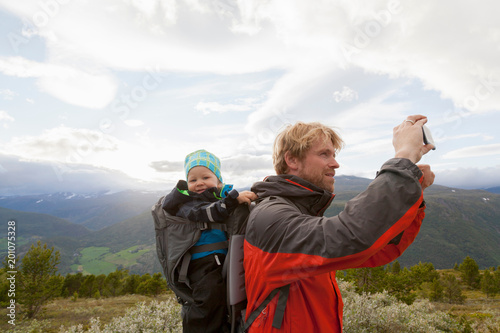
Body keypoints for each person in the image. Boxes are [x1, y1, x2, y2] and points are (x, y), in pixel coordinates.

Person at [243, 115, 435, 332]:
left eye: (333, 154)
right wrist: (404, 158)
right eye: (324, 154)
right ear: (292, 160)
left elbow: (378, 250)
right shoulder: (271, 217)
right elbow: (351, 236)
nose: (335, 163)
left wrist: (414, 194)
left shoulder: (300, 213)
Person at [162, 149, 257, 333]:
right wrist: (231, 201)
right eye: (193, 180)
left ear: (218, 180)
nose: (199, 183)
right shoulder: (188, 203)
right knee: (209, 295)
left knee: (226, 298)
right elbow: (206, 212)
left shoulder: (217, 197)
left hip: (221, 258)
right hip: (201, 261)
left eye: (205, 177)